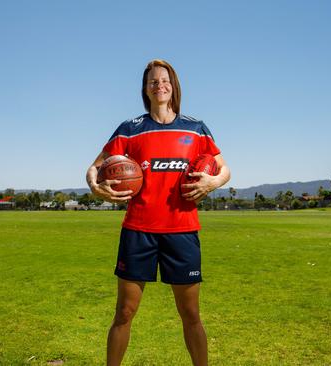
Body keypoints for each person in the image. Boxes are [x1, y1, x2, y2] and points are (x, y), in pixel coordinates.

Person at [86, 59, 230, 366]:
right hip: (138, 230)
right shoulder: (130, 129)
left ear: (173, 86)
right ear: (146, 89)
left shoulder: (195, 128)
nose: (159, 85)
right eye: (153, 81)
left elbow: (224, 167)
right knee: (124, 313)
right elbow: (95, 166)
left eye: (164, 80)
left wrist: (213, 182)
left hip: (182, 230)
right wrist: (97, 188)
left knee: (191, 314)